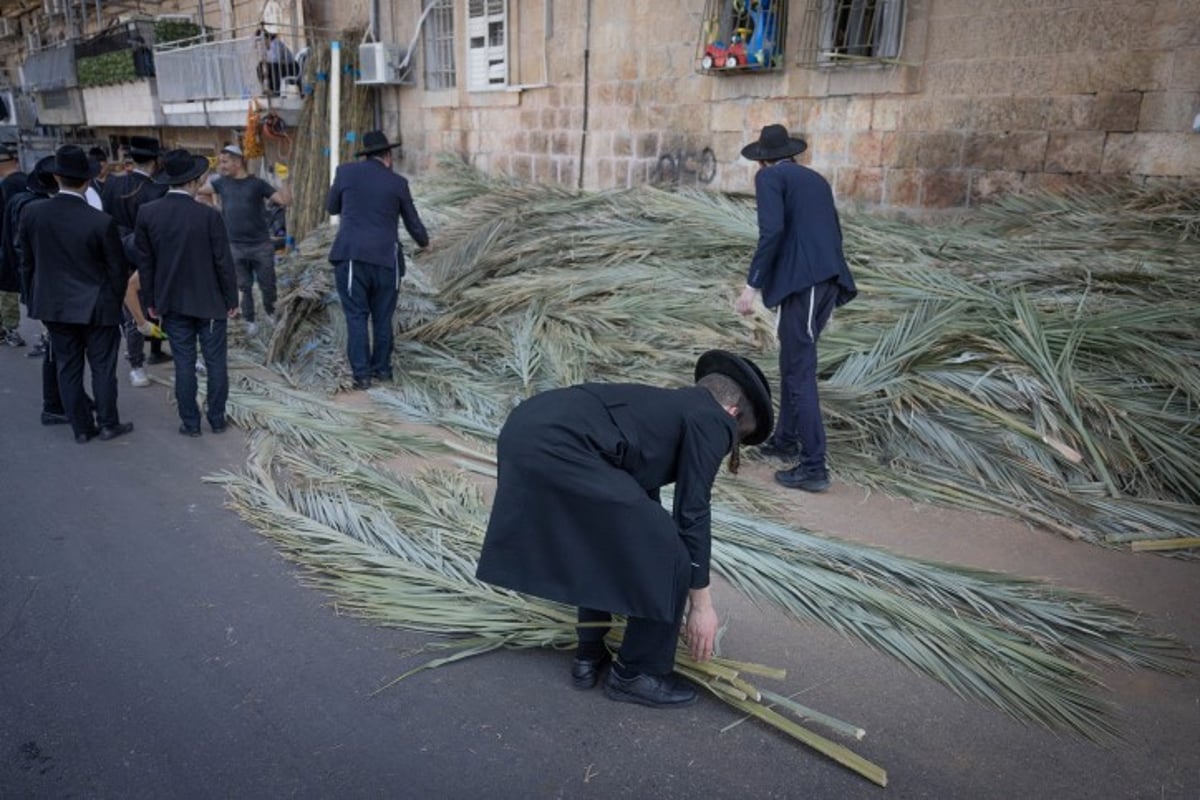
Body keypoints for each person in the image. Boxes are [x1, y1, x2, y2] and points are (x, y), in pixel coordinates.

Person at [476, 350, 773, 708]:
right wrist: (700, 606)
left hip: (527, 427)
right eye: (736, 440)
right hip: (563, 442)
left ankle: (589, 654)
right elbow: (692, 513)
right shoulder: (712, 419)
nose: (728, 446)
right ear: (733, 414)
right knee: (673, 555)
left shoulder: (658, 408)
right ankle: (637, 673)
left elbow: (637, 516)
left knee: (609, 542)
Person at [734, 124, 857, 493]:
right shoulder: (815, 179)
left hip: (804, 284)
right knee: (792, 363)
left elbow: (771, 232)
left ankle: (814, 466)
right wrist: (831, 287)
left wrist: (751, 286)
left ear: (764, 160)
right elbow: (832, 230)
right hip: (826, 280)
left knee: (800, 371)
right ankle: (785, 441)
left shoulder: (770, 179)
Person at [18, 145, 133, 444]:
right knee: (103, 368)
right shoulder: (100, 221)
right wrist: (113, 299)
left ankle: (81, 429)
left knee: (67, 366)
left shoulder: (32, 214)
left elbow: (27, 262)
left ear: (56, 178)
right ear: (87, 181)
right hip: (97, 305)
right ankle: (108, 424)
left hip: (53, 305)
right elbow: (117, 270)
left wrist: (33, 299)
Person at [134, 149, 238, 437]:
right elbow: (223, 262)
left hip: (172, 302)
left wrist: (152, 302)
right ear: (194, 181)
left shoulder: (148, 213)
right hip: (212, 302)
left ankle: (190, 423)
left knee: (183, 364)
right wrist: (232, 300)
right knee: (216, 362)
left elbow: (146, 264)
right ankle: (216, 419)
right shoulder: (209, 216)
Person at [325, 130, 429, 390]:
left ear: (366, 154)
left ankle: (362, 375)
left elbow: (332, 207)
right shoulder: (398, 183)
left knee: (357, 316)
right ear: (388, 156)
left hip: (351, 258)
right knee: (383, 317)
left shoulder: (345, 172)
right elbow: (413, 222)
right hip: (386, 260)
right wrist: (425, 243)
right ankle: (382, 369)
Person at [198, 143, 290, 336]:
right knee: (243, 286)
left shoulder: (257, 184)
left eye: (225, 162)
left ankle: (271, 314)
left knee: (268, 284)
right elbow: (199, 191)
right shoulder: (221, 183)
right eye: (220, 162)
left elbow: (284, 201)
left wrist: (285, 180)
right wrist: (204, 169)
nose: (221, 166)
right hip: (234, 245)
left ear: (238, 162)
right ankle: (249, 320)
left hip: (261, 245)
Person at [101, 135, 169, 386]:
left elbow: (106, 220)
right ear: (156, 160)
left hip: (118, 252)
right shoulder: (157, 190)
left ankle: (137, 367)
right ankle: (153, 352)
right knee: (153, 305)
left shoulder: (112, 184)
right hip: (147, 255)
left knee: (132, 310)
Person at [0, 143, 27, 346]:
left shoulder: (6, 187)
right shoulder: (26, 182)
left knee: (7, 288)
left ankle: (8, 329)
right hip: (25, 244)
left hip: (7, 245)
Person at [256, 28, 299, 96]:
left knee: (273, 67)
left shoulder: (275, 43)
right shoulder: (267, 49)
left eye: (261, 41)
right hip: (283, 68)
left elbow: (276, 60)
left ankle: (276, 92)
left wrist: (266, 61)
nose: (261, 44)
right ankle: (267, 89)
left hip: (292, 68)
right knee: (260, 66)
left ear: (266, 38)